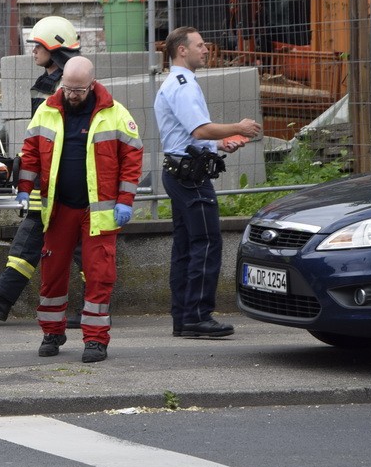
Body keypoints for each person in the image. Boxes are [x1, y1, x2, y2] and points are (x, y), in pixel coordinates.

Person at [17, 56, 142, 363]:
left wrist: (125, 202)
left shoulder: (114, 114)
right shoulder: (46, 111)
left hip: (98, 211)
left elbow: (132, 160)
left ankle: (96, 340)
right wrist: (23, 190)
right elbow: (30, 153)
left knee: (99, 275)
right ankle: (52, 332)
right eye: (68, 88)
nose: (72, 95)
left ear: (92, 84)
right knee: (52, 274)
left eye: (79, 90)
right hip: (58, 209)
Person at [0, 16, 85, 327]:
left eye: (38, 46)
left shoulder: (70, 87)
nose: (33, 51)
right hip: (49, 177)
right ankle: (1, 297)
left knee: (84, 247)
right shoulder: (48, 84)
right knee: (30, 237)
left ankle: (94, 306)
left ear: (54, 48)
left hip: (72, 181)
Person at [154, 26, 261, 338]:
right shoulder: (184, 84)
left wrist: (218, 146)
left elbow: (187, 135)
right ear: (182, 50)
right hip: (190, 177)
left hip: (181, 170)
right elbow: (199, 130)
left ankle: (184, 317)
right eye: (199, 45)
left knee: (186, 245)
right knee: (206, 243)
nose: (206, 50)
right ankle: (198, 316)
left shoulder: (176, 82)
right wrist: (235, 128)